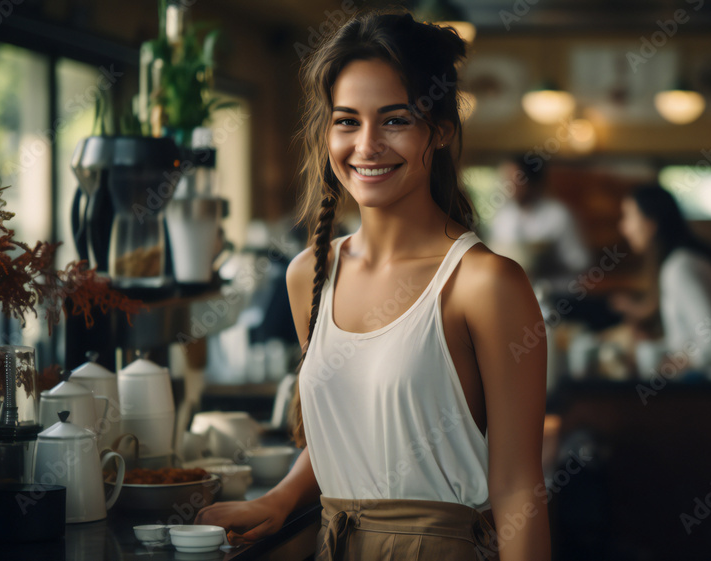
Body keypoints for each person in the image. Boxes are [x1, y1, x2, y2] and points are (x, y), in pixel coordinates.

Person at [196, 11, 551, 561]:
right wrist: (283, 496)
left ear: (439, 132)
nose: (367, 145)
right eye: (346, 121)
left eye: (394, 120)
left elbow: (518, 490)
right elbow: (353, 421)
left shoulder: (486, 283)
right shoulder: (307, 275)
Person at [616, 184, 711, 377]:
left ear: (651, 223)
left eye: (629, 216)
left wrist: (665, 365)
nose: (623, 228)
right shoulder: (685, 260)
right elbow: (688, 340)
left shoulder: (680, 268)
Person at [488, 155, 590, 291]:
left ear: (531, 181)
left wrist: (548, 263)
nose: (507, 185)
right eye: (505, 179)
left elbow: (580, 261)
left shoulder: (558, 215)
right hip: (512, 292)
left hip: (555, 292)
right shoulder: (503, 217)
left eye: (514, 180)